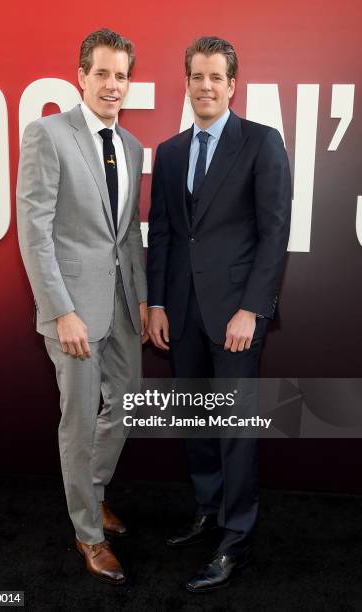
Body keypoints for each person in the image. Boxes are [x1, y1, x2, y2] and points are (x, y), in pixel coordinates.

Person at [147, 35, 291, 592]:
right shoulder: (170, 151)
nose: (205, 86)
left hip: (235, 318)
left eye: (216, 78)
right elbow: (161, 232)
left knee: (234, 429)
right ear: (186, 83)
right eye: (197, 77)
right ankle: (209, 511)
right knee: (196, 423)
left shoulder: (261, 143)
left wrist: (251, 309)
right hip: (180, 314)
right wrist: (157, 302)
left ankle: (238, 540)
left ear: (233, 86)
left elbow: (273, 232)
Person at [17, 28, 147, 586]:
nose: (112, 85)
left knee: (129, 402)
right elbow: (34, 230)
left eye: (121, 75)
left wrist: (141, 300)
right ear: (82, 76)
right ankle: (87, 533)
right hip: (72, 307)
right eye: (102, 73)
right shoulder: (48, 134)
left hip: (121, 305)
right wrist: (61, 309)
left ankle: (90, 497)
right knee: (78, 422)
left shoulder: (134, 145)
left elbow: (128, 237)